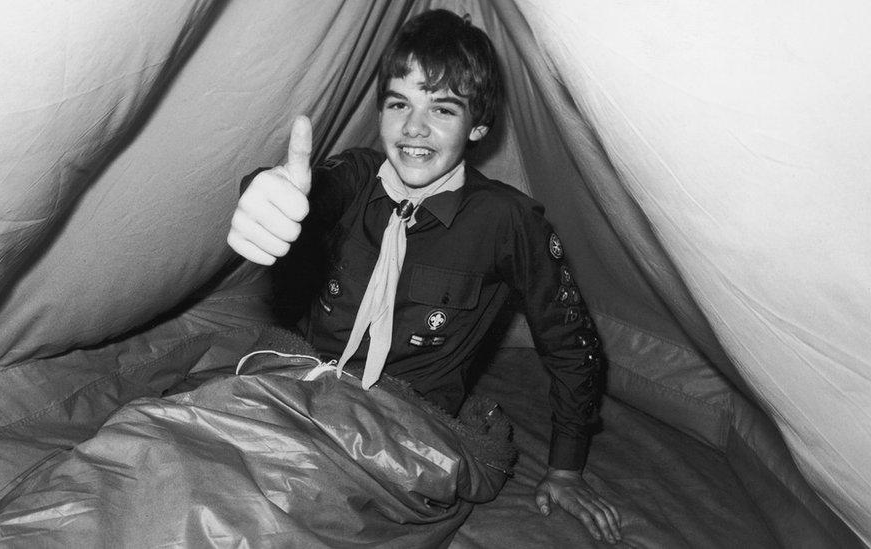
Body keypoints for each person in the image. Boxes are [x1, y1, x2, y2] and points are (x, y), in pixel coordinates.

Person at [227, 9, 622, 544]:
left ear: (478, 125)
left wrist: (566, 468)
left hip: (401, 430)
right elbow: (310, 191)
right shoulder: (360, 176)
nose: (414, 128)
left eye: (442, 108)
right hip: (302, 389)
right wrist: (265, 191)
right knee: (174, 450)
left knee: (271, 518)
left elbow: (571, 343)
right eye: (399, 104)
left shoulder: (507, 222)